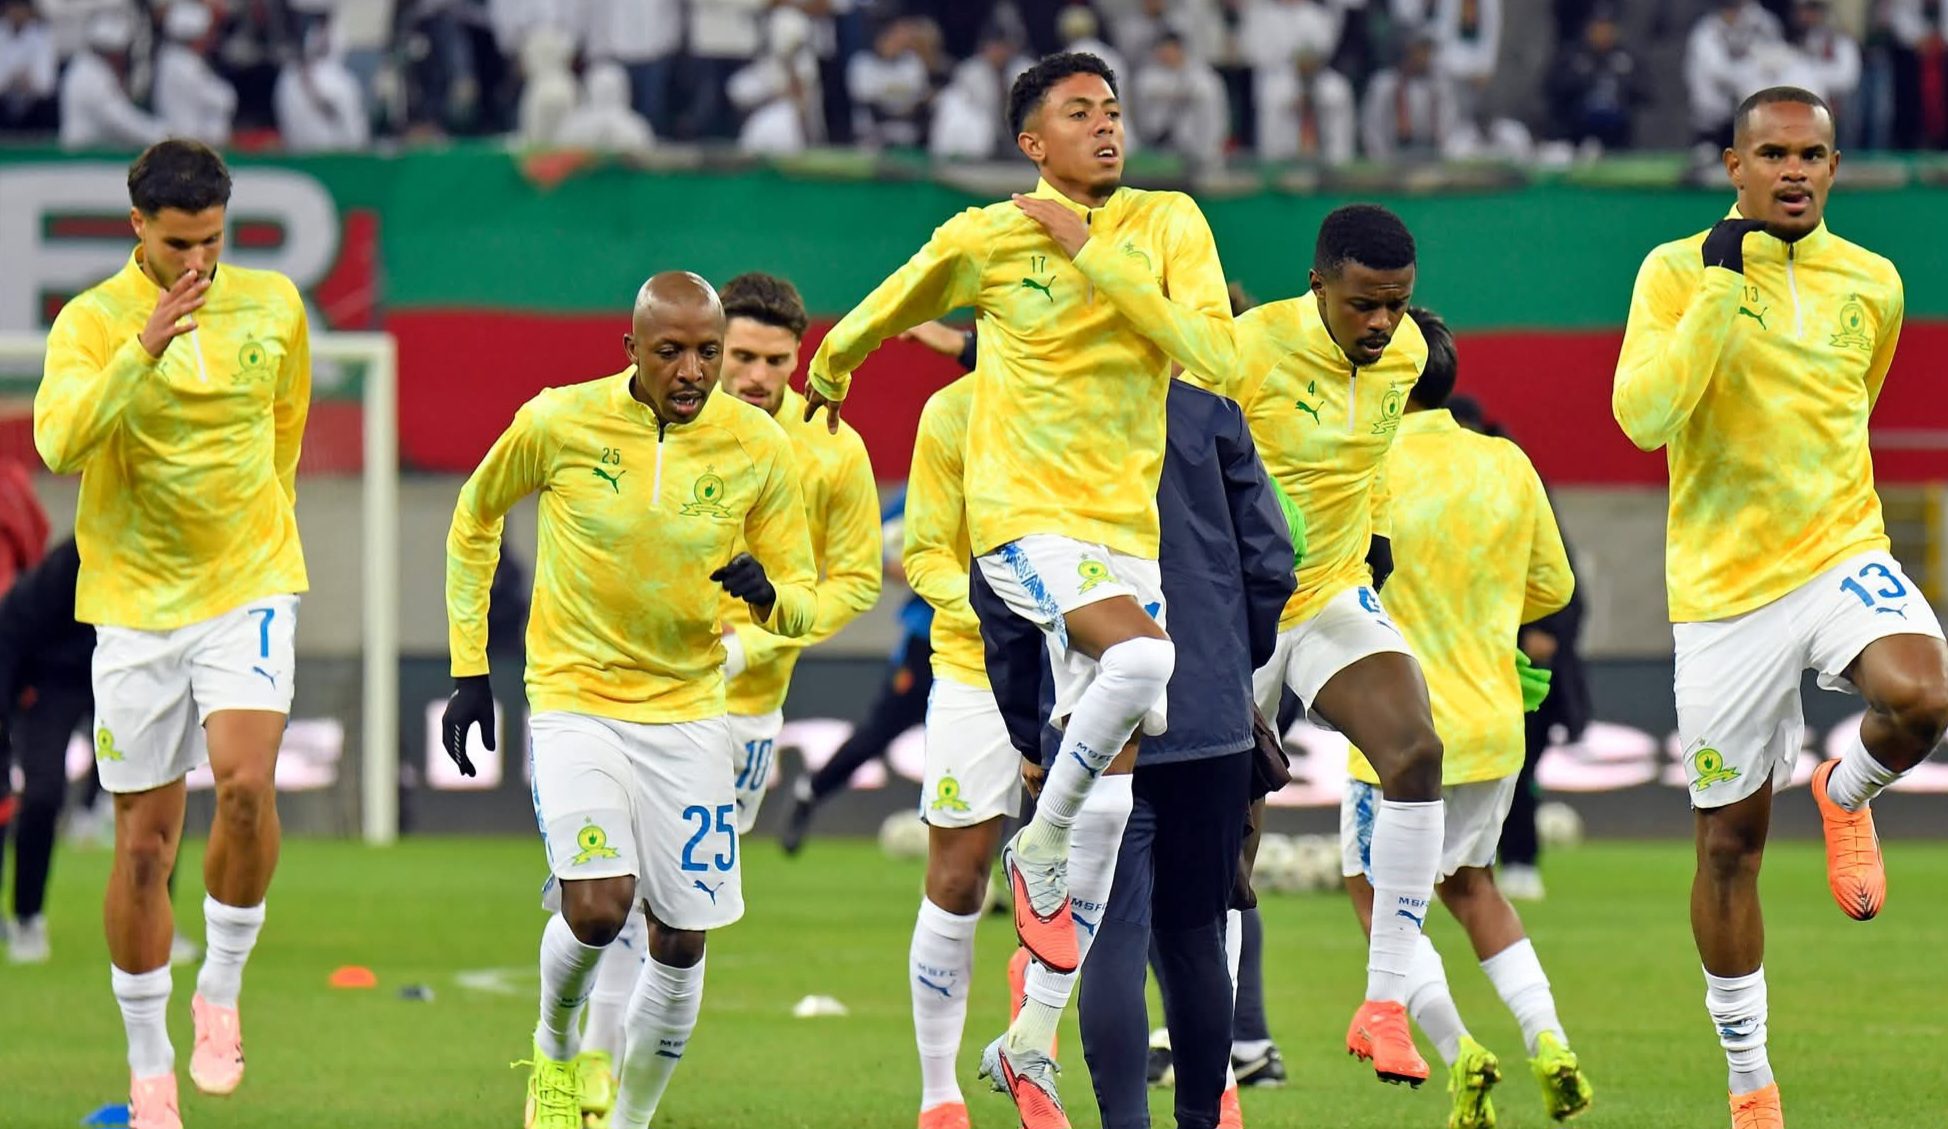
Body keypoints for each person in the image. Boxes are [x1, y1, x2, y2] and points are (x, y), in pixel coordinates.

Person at [805, 50, 1235, 1123]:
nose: (1105, 125)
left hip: (1121, 536)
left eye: (1114, 109)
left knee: (1111, 810)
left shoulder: (1168, 223)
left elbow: (1212, 356)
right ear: (1030, 144)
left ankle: (1028, 1042)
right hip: (1023, 528)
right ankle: (1029, 849)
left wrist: (1094, 253)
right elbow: (891, 300)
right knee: (1141, 660)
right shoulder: (987, 234)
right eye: (1077, 112)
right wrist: (833, 363)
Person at [1613, 86, 1947, 1129]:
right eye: (1772, 154)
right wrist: (1717, 295)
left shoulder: (1874, 282)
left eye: (1811, 154)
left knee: (1925, 696)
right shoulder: (1675, 271)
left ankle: (1846, 791)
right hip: (1720, 593)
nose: (1793, 171)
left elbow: (1851, 404)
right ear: (1732, 166)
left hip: (1839, 549)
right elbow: (1642, 418)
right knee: (1726, 848)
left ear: (1834, 168)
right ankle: (1748, 1079)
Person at [441, 271, 818, 1129]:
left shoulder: (757, 446)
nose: (693, 371)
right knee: (600, 905)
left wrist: (767, 596)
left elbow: (803, 597)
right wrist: (470, 670)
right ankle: (553, 1049)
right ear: (631, 351)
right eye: (672, 351)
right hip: (576, 698)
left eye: (708, 354)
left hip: (688, 709)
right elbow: (475, 516)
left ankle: (629, 1121)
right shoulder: (558, 420)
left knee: (681, 940)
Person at [35, 138, 311, 1129]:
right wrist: (142, 345)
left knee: (244, 784)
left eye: (213, 240)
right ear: (137, 228)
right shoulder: (91, 322)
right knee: (144, 851)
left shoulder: (274, 304)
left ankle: (222, 990)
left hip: (247, 581)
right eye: (178, 243)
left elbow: (283, 430)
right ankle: (149, 1068)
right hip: (135, 606)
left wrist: (256, 529)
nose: (197, 261)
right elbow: (59, 442)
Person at [1181, 203, 1445, 1088]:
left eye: (1397, 304)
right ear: (1317, 283)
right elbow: (1177, 466)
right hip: (1230, 615)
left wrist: (1374, 534)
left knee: (1416, 752)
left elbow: (1368, 466)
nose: (1381, 324)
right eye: (1363, 303)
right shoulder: (1247, 348)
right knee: (1226, 854)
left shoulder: (1405, 356)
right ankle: (1213, 1067)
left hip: (1330, 593)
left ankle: (1383, 1005)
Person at [1339, 308, 1592, 1129]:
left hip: (1395, 728)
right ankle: (1550, 1038)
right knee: (1473, 887)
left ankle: (1459, 1051)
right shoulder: (1505, 462)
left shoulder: (1362, 462)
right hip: (1493, 719)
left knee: (1377, 894)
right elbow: (1552, 588)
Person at [900, 371, 1039, 1129]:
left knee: (1096, 881)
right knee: (956, 880)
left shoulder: (1102, 391)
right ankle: (938, 1094)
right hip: (974, 667)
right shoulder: (950, 411)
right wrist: (1003, 616)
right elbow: (923, 552)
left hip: (1089, 664)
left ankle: (1040, 1060)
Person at [777, 480, 937, 855]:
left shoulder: (1001, 473)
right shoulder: (925, 486)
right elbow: (876, 548)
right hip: (929, 637)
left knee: (986, 755)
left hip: (990, 640)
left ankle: (991, 878)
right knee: (880, 729)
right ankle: (810, 791)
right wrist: (910, 570)